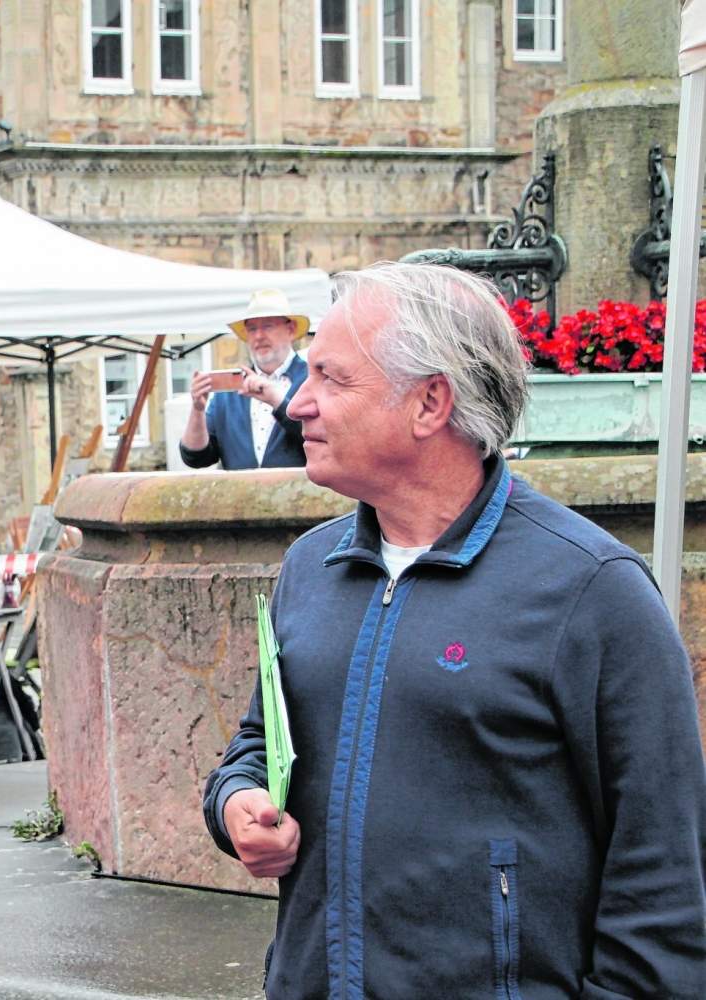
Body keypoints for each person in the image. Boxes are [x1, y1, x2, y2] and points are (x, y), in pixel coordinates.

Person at [202, 262, 706, 998]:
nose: (298, 404)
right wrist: (236, 801)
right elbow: (258, 742)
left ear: (430, 402)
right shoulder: (311, 567)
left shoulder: (591, 589)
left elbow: (664, 878)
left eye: (333, 380)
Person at [178, 288, 310, 470]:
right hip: (239, 498)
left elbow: (329, 441)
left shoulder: (312, 379)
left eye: (268, 326)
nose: (258, 336)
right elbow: (196, 458)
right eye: (252, 329)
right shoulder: (230, 391)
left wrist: (277, 402)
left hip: (302, 497)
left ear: (291, 329)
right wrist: (197, 410)